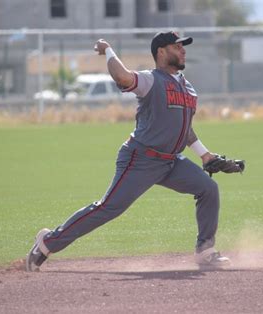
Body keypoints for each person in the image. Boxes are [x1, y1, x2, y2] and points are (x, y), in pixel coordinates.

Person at [26, 31, 237, 272]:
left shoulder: (187, 88)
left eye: (183, 46)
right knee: (108, 208)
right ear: (161, 51)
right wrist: (108, 51)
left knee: (208, 188)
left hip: (171, 162)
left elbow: (183, 127)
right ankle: (46, 243)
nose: (183, 50)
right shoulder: (151, 79)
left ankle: (205, 251)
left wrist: (205, 155)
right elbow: (123, 78)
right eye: (177, 46)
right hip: (141, 159)